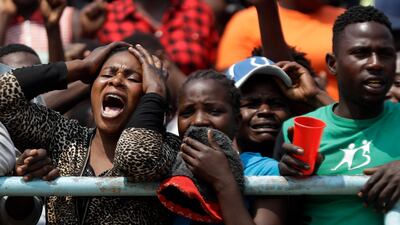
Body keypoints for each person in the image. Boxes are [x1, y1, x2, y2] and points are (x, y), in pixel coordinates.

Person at [0, 42, 180, 224]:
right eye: (107, 74)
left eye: (133, 79)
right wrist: (81, 67)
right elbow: (4, 99)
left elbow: (135, 156)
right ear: (91, 89)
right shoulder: (65, 137)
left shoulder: (169, 148)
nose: (116, 81)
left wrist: (156, 91)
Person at [277, 6, 399, 225]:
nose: (375, 63)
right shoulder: (295, 131)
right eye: (361, 53)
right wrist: (293, 181)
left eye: (385, 54)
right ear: (333, 64)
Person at [216, 0, 344, 99]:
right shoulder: (246, 20)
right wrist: (266, 10)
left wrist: (320, 95)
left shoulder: (346, 18)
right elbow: (232, 80)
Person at [78, 0, 219, 74]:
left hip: (187, 115)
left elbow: (213, 70)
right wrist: (86, 34)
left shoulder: (198, 11)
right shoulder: (107, 15)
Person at [0, 0, 73, 62]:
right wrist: (3, 16)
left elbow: (58, 73)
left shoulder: (66, 15)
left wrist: (52, 27)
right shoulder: (4, 13)